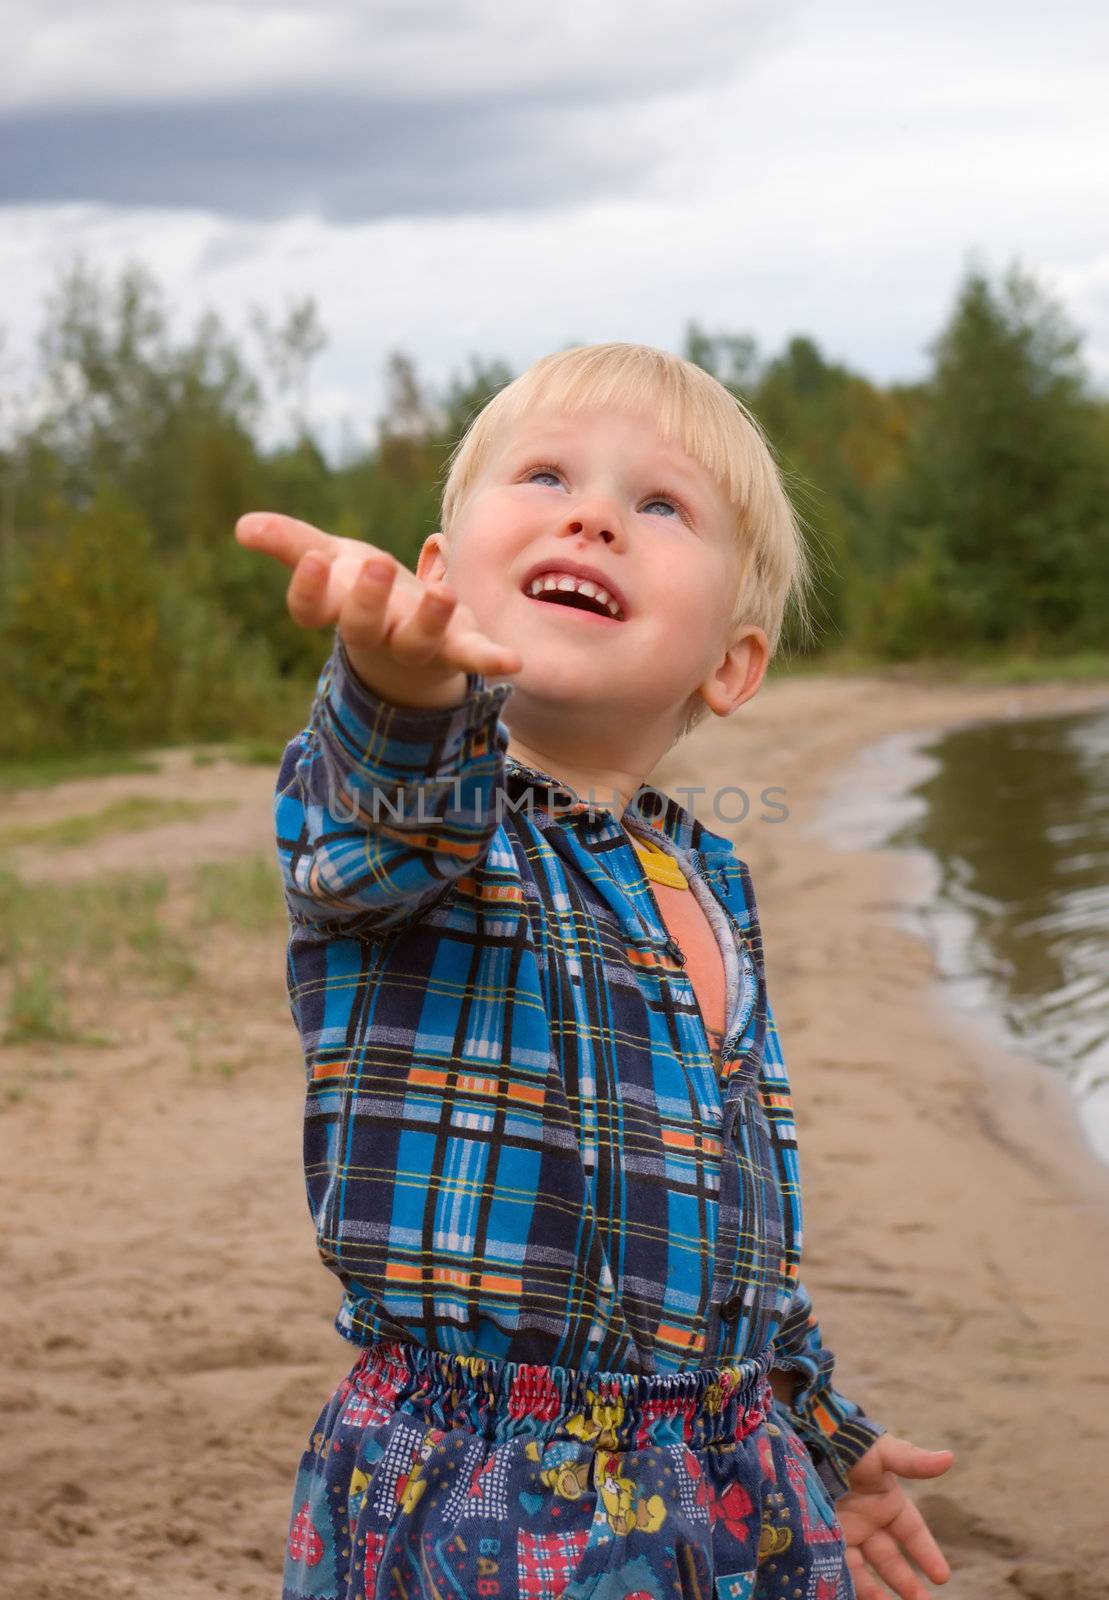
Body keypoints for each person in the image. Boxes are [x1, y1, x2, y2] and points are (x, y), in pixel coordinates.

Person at [237, 342, 954, 1600]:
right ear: (440, 578)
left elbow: (738, 1225)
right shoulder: (442, 836)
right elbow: (368, 825)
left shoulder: (706, 881)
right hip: (493, 1491)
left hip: (725, 1476)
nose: (592, 514)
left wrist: (815, 1425)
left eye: (659, 503)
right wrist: (398, 688)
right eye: (546, 475)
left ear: (730, 663)